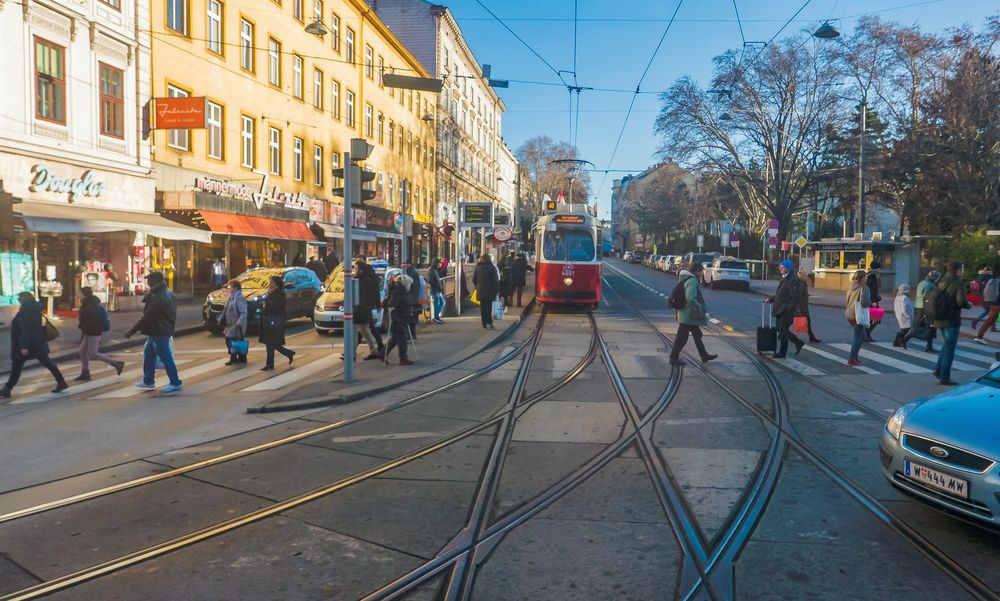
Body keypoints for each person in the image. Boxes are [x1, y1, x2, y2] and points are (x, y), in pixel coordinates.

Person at [1, 292, 68, 398]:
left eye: (19, 299)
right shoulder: (34, 309)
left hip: (27, 344)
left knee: (17, 366)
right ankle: (61, 381)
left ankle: (7, 388)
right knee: (46, 362)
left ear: (23, 300)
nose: (18, 300)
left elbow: (25, 330)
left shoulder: (25, 312)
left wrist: (24, 346)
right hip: (38, 341)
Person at [124, 271, 182, 392]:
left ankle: (175, 381)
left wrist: (132, 331)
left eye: (149, 280)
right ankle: (148, 380)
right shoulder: (164, 294)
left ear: (155, 281)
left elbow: (148, 317)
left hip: (160, 330)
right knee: (149, 354)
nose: (148, 282)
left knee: (165, 356)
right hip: (158, 330)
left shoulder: (160, 296)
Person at [668, 263, 718, 366]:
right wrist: (698, 306)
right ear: (697, 271)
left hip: (686, 314)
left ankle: (703, 355)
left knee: (696, 334)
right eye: (701, 271)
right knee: (682, 338)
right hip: (689, 314)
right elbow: (690, 298)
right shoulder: (692, 281)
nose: (702, 273)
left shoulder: (685, 279)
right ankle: (673, 358)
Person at [75, 286, 125, 381]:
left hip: (93, 331)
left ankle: (116, 364)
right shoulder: (87, 303)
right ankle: (85, 372)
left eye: (80, 293)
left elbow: (91, 319)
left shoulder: (90, 304)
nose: (78, 295)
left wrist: (84, 326)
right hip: (88, 331)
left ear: (84, 294)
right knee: (82, 351)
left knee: (93, 353)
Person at [933, 262, 968, 386]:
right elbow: (960, 302)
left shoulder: (940, 280)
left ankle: (938, 369)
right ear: (958, 270)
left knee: (946, 345)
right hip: (951, 320)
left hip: (938, 317)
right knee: (949, 349)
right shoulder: (958, 283)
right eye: (962, 269)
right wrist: (969, 305)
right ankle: (945, 377)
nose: (962, 271)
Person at [764, 259, 804, 358]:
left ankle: (782, 352)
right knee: (780, 329)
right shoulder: (785, 278)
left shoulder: (793, 280)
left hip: (786, 311)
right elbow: (780, 295)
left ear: (788, 268)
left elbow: (796, 297)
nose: (780, 268)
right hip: (780, 309)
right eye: (780, 266)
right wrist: (771, 299)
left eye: (782, 267)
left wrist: (788, 308)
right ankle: (798, 342)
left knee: (782, 331)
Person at [259, 275, 296, 371]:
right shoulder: (271, 293)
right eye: (270, 282)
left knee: (271, 343)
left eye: (272, 282)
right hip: (269, 320)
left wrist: (266, 305)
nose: (270, 284)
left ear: (277, 284)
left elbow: (278, 307)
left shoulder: (280, 294)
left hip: (275, 321)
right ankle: (287, 354)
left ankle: (270, 364)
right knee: (271, 343)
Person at [353, 257, 384, 360]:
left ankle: (351, 353)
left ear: (361, 269)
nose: (354, 269)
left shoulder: (366, 280)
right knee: (366, 331)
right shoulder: (358, 279)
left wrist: (358, 308)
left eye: (356, 268)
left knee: (354, 331)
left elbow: (369, 295)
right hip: (363, 310)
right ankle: (374, 350)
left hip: (361, 310)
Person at [383, 273, 415, 365]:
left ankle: (382, 354)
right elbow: (392, 305)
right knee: (401, 338)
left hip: (402, 317)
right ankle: (403, 358)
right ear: (405, 284)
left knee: (394, 339)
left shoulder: (400, 290)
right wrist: (395, 319)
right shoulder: (398, 291)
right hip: (399, 318)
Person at [844, 269, 871, 367]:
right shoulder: (864, 288)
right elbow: (864, 303)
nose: (867, 278)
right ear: (863, 278)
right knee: (858, 337)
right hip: (857, 315)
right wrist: (870, 302)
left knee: (862, 336)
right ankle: (852, 358)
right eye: (866, 276)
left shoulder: (851, 286)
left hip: (849, 313)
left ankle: (854, 357)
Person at [220, 280, 248, 365]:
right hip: (230, 324)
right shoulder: (232, 297)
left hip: (236, 324)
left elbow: (243, 312)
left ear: (235, 287)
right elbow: (226, 309)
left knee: (232, 340)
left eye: (230, 287)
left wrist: (239, 322)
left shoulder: (239, 298)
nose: (229, 289)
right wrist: (221, 318)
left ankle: (237, 357)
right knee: (233, 340)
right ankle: (238, 357)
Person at [472, 253, 499, 330]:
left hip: (481, 291)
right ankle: (489, 322)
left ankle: (484, 323)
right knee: (489, 307)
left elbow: (474, 279)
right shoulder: (492, 267)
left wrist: (478, 286)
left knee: (483, 307)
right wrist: (497, 290)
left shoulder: (478, 267)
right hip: (490, 291)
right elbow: (495, 280)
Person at [914, 271, 940, 353]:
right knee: (931, 326)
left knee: (918, 325)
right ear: (934, 278)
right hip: (926, 307)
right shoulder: (930, 285)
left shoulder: (922, 283)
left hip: (918, 306)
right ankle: (929, 346)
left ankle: (904, 338)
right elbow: (929, 298)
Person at [972, 269, 999, 336]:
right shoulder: (991, 278)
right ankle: (977, 320)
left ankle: (992, 327)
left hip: (983, 297)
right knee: (990, 312)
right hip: (992, 298)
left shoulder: (977, 279)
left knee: (991, 312)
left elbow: (974, 288)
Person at [797, 270, 821, 343]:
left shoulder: (802, 283)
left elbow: (802, 293)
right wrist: (798, 308)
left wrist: (807, 295)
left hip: (803, 307)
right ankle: (783, 334)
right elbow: (798, 295)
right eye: (805, 275)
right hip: (801, 307)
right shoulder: (800, 283)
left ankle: (811, 337)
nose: (806, 276)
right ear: (801, 277)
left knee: (807, 321)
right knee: (789, 321)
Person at [893, 284, 915, 350]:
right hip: (905, 316)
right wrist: (909, 315)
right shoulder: (904, 298)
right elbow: (905, 308)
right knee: (906, 329)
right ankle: (899, 340)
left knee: (904, 329)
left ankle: (896, 342)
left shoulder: (898, 297)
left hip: (900, 315)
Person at [865, 261, 883, 341]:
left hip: (871, 300)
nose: (880, 270)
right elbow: (872, 290)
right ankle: (866, 334)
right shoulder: (872, 276)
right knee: (876, 318)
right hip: (872, 301)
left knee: (871, 319)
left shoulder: (868, 274)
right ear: (876, 268)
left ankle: (866, 334)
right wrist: (874, 300)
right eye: (879, 268)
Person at [427, 258, 445, 324]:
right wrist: (437, 285)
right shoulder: (431, 270)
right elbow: (430, 280)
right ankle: (436, 317)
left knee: (442, 303)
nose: (440, 264)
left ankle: (436, 316)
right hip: (435, 289)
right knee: (437, 303)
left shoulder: (435, 270)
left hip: (438, 289)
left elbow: (442, 268)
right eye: (439, 263)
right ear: (436, 263)